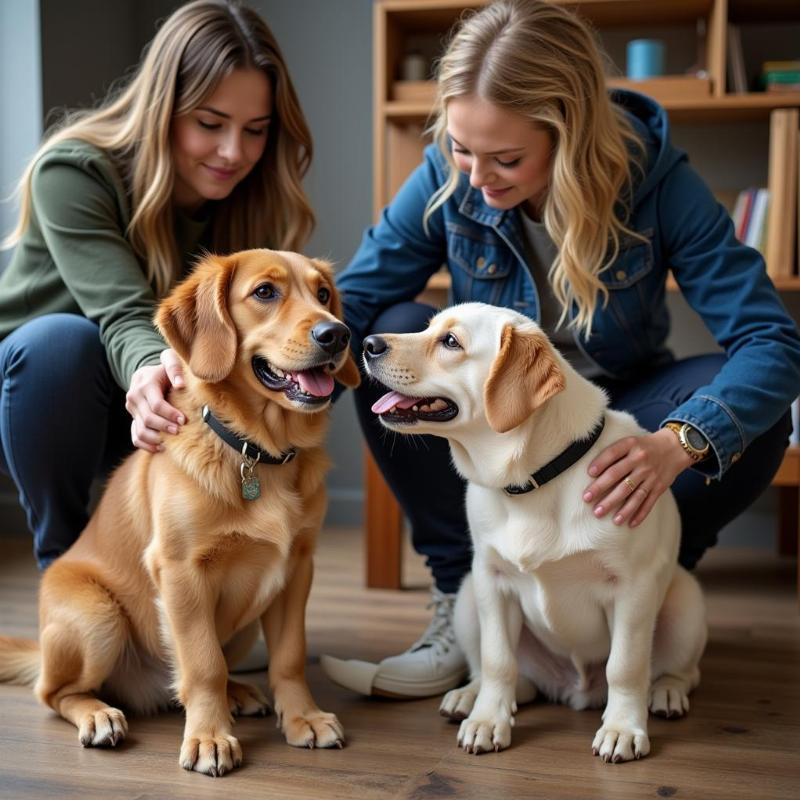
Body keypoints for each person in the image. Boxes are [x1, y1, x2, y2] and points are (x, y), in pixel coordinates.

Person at [321, 0, 800, 698]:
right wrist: (252, 370)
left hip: (608, 417)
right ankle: (466, 597)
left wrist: (677, 445)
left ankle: (651, 574)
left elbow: (771, 341)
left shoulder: (659, 184)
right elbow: (353, 305)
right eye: (460, 147)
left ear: (569, 134)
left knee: (752, 412)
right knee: (388, 341)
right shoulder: (449, 177)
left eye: (506, 157)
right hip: (497, 418)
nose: (476, 177)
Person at [0, 0, 314, 570]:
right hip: (38, 400)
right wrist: (155, 370)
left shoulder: (252, 201)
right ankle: (60, 570)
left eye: (256, 131)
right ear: (162, 109)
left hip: (159, 399)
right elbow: (121, 312)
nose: (233, 152)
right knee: (60, 343)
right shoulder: (72, 172)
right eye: (210, 124)